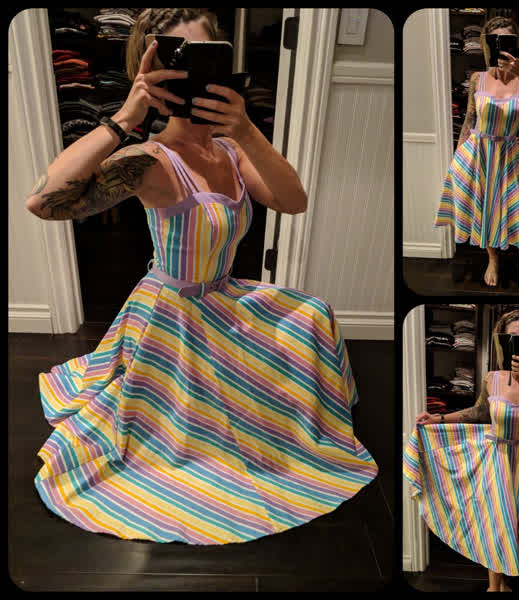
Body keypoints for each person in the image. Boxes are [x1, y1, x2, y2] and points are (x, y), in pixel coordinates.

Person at [26, 8, 378, 545]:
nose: (191, 76)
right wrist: (126, 116)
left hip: (224, 296)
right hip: (173, 315)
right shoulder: (149, 160)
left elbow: (293, 201)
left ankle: (296, 422)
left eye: (204, 59)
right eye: (177, 62)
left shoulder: (232, 150)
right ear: (150, 70)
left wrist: (245, 128)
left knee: (313, 314)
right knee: (194, 426)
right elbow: (44, 203)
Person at [404, 309, 519, 592]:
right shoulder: (492, 378)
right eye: (510, 337)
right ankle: (494, 588)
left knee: (510, 526)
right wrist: (438, 418)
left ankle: (499, 584)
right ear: (502, 341)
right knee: (496, 524)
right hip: (494, 460)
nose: (516, 342)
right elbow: (479, 412)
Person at [434, 17, 519, 287]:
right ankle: (493, 259)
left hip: (508, 155)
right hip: (478, 154)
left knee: (518, 209)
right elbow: (470, 120)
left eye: (506, 40)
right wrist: (457, 158)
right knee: (486, 209)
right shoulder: (478, 79)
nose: (501, 46)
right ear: (487, 45)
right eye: (494, 40)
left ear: (516, 44)